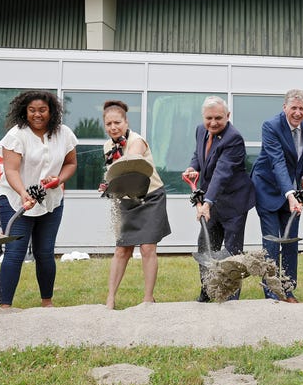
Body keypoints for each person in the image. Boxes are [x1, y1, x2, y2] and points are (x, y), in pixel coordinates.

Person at [0, 91, 78, 308]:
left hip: (50, 201)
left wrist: (59, 179)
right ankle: (5, 307)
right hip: (15, 200)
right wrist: (23, 193)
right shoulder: (16, 135)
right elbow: (11, 170)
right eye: (32, 110)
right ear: (25, 111)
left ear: (51, 111)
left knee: (45, 252)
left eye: (42, 110)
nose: (37, 114)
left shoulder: (64, 133)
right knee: (15, 252)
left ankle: (47, 303)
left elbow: (71, 163)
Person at [182, 96, 256, 302]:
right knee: (205, 247)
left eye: (218, 118)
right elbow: (199, 154)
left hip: (233, 203)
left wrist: (207, 203)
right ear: (203, 117)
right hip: (212, 202)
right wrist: (193, 167)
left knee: (231, 253)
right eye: (209, 118)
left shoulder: (234, 138)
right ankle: (207, 291)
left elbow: (222, 173)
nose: (213, 123)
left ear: (228, 116)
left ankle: (231, 297)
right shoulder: (200, 130)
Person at [103, 100, 171, 309]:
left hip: (150, 197)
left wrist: (115, 175)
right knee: (121, 249)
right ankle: (110, 298)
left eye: (117, 122)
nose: (113, 127)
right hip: (126, 199)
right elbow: (114, 174)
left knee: (148, 247)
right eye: (108, 124)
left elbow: (131, 160)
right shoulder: (107, 146)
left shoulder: (137, 141)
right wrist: (107, 185)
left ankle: (148, 298)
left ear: (126, 122)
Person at [251, 89, 303, 303]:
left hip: (293, 192)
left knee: (290, 242)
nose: (298, 113)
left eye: (302, 109)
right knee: (272, 243)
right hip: (268, 189)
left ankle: (288, 290)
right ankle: (272, 293)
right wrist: (290, 194)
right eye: (294, 108)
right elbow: (278, 162)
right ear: (284, 108)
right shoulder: (271, 126)